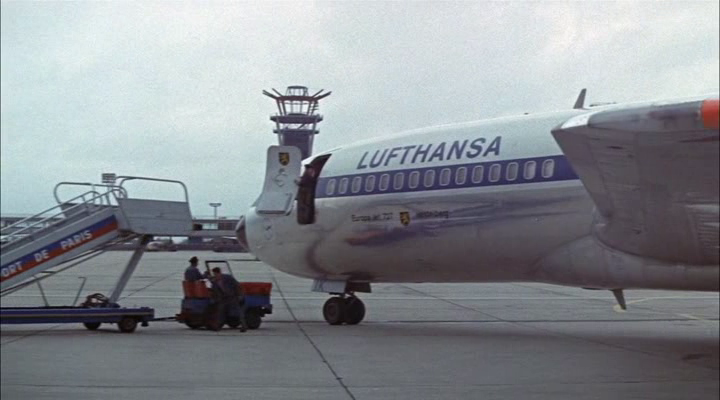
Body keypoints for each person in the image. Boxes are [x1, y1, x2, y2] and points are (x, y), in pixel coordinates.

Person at [211, 267, 247, 332]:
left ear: (219, 273)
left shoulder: (228, 277)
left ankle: (243, 326)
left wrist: (240, 295)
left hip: (232, 297)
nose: (215, 275)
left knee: (238, 312)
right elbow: (214, 291)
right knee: (220, 311)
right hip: (224, 298)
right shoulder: (215, 282)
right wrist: (216, 299)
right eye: (214, 274)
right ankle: (217, 326)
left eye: (216, 274)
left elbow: (237, 285)